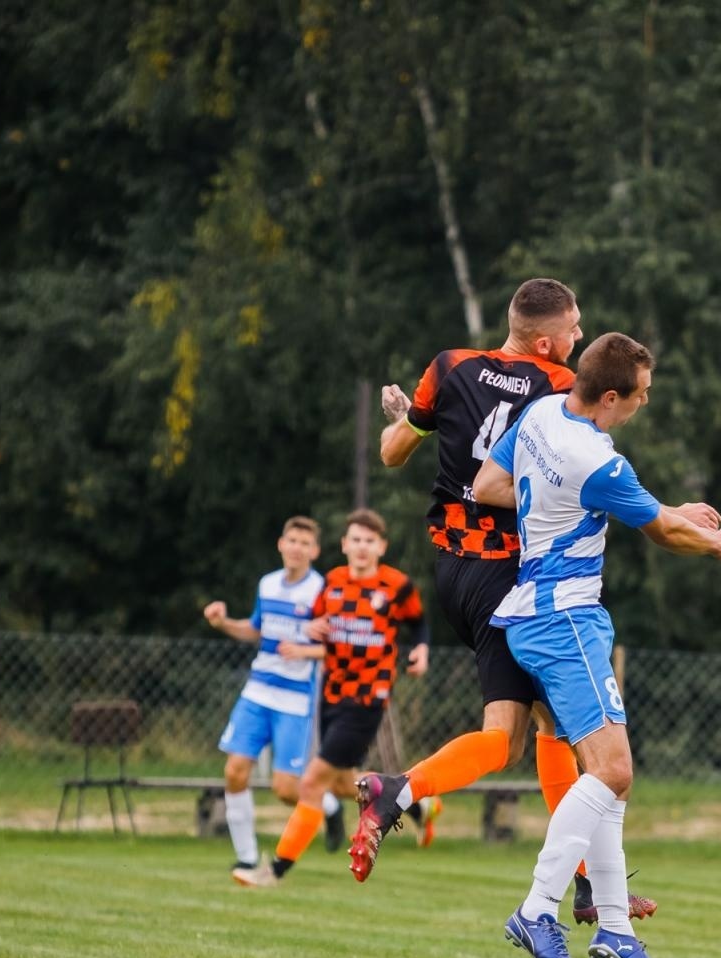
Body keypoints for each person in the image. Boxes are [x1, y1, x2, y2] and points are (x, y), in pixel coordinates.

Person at [348, 278, 654, 924]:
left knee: (552, 726)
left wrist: (405, 416)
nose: (579, 339)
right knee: (508, 737)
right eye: (574, 330)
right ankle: (395, 790)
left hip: (454, 572)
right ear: (547, 342)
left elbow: (393, 452)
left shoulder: (450, 367)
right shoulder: (557, 394)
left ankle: (590, 886)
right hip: (506, 579)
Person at [473, 332, 721, 958]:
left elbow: (490, 484)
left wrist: (601, 502)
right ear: (612, 396)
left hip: (532, 612)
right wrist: (717, 543)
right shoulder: (598, 459)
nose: (644, 405)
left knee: (607, 778)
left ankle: (616, 928)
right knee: (616, 770)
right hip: (567, 621)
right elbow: (663, 532)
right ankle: (537, 909)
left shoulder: (540, 413)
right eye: (642, 395)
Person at [233, 508, 429, 887]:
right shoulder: (334, 583)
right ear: (343, 545)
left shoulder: (396, 586)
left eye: (369, 541)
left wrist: (420, 650)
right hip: (331, 694)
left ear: (381, 547)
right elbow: (316, 624)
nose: (361, 546)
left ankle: (275, 870)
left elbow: (418, 621)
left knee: (311, 783)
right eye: (355, 539)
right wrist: (312, 628)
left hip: (368, 698)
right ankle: (414, 800)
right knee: (342, 785)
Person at [203, 516, 334, 879]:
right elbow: (256, 630)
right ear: (281, 544)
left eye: (305, 543)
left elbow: (340, 647)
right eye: (292, 540)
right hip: (258, 690)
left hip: (295, 699)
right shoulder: (268, 584)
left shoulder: (322, 590)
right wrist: (224, 623)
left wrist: (306, 652)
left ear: (315, 551)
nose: (297, 548)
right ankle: (246, 857)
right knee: (234, 771)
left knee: (285, 788)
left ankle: (330, 804)